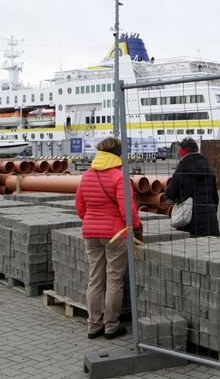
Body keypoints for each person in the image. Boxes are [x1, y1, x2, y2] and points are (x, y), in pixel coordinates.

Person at [74, 136, 140, 340]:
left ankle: (93, 325)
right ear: (118, 154)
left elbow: (79, 207)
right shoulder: (119, 176)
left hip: (90, 232)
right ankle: (111, 326)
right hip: (115, 234)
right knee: (114, 280)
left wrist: (91, 220)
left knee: (95, 279)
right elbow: (127, 209)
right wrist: (135, 227)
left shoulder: (86, 175)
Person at [165, 138, 220, 237]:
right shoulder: (208, 169)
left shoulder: (182, 168)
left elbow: (171, 193)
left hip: (190, 223)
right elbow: (215, 199)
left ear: (183, 151)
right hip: (211, 224)